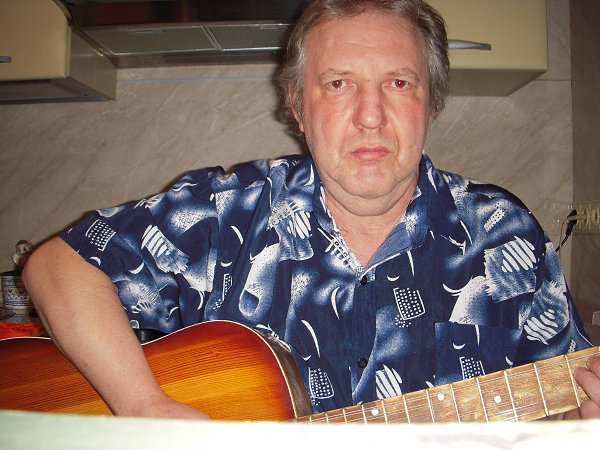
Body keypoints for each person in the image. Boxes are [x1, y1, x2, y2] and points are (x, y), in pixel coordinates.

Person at [22, 0, 600, 421]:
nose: (370, 116)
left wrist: (584, 422)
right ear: (298, 105)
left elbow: (564, 403)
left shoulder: (504, 233)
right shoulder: (224, 213)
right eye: (339, 84)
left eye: (399, 83)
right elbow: (57, 265)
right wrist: (144, 407)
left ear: (431, 102)